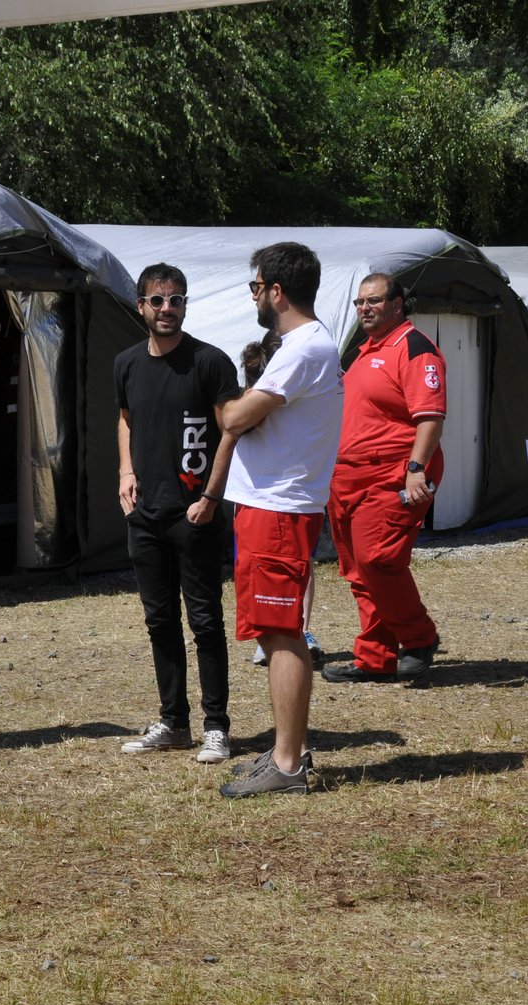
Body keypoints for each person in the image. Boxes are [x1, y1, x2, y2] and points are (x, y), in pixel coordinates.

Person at [217, 242, 344, 798]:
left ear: (276, 291)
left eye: (255, 286)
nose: (253, 297)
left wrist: (220, 394)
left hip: (279, 508)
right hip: (271, 507)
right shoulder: (304, 344)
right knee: (274, 631)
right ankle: (284, 753)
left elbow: (238, 415)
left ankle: (288, 763)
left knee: (282, 632)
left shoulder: (303, 347)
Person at [114, 263, 242, 764]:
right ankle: (173, 721)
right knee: (158, 620)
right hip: (145, 514)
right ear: (141, 305)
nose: (168, 309)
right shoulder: (126, 362)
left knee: (205, 621)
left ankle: (217, 726)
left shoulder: (209, 362)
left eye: (177, 300)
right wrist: (125, 472)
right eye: (158, 300)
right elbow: (125, 419)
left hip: (196, 515)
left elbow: (229, 433)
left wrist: (210, 498)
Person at [320, 273, 446, 683]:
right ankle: (375, 658)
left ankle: (419, 637)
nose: (364, 309)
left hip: (393, 472)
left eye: (373, 301)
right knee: (357, 569)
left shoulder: (415, 348)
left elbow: (429, 417)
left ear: (397, 304)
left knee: (379, 559)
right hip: (347, 476)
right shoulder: (362, 350)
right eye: (359, 303)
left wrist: (416, 469)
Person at [241, 329, 323, 668]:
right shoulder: (265, 394)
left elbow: (235, 421)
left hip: (277, 496)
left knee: (286, 569)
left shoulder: (280, 392)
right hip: (282, 494)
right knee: (295, 568)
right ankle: (288, 632)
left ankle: (292, 633)